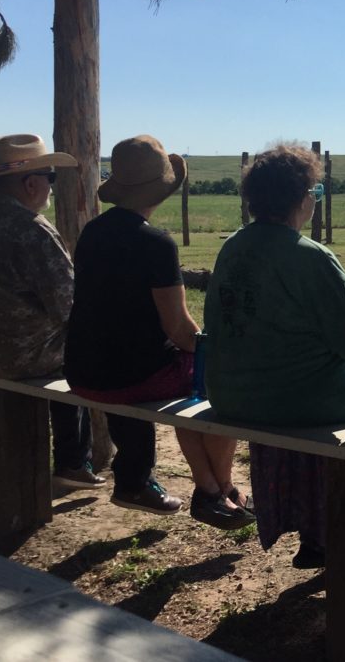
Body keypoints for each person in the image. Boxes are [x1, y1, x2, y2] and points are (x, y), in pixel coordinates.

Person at [64, 134, 253, 529]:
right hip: (129, 379)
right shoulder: (156, 243)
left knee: (191, 375)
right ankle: (216, 490)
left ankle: (218, 492)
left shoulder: (93, 232)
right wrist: (213, 351)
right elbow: (182, 331)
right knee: (215, 380)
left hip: (82, 373)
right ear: (161, 188)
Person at [203, 143, 345, 567]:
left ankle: (311, 531)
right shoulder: (311, 257)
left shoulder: (232, 247)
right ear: (303, 198)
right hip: (300, 400)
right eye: (316, 191)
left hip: (235, 395)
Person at [0, 134, 100, 491]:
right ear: (31, 184)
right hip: (19, 356)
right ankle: (74, 461)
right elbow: (69, 307)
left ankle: (73, 460)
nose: (50, 188)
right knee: (84, 352)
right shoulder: (32, 230)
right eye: (51, 179)